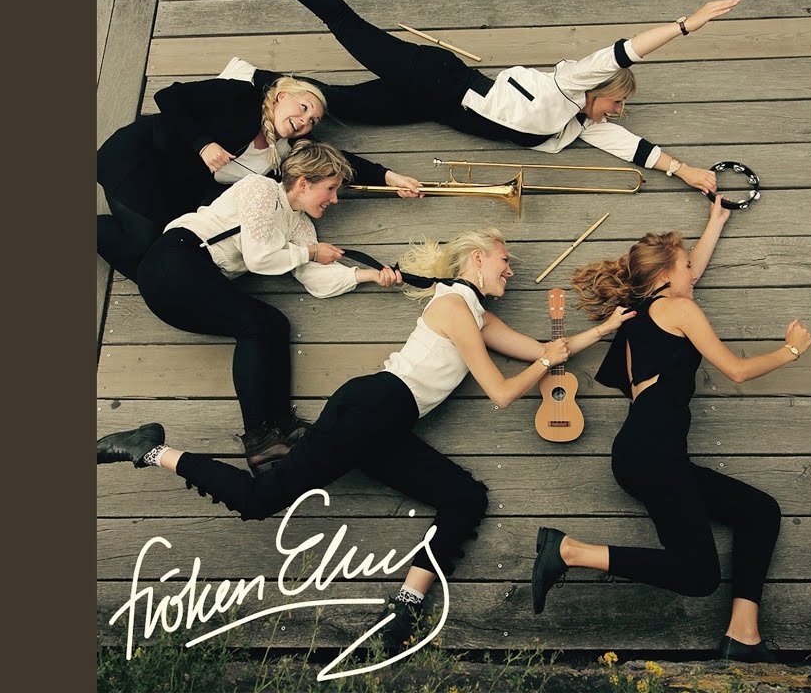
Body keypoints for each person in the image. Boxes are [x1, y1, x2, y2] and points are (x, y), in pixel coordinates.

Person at [97, 228, 635, 652]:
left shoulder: (477, 313)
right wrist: (543, 362)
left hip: (388, 420)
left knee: (464, 497)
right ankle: (150, 447)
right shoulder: (452, 306)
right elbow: (501, 391)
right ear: (476, 259)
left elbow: (543, 350)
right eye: (504, 261)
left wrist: (603, 328)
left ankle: (405, 604)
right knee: (259, 501)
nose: (510, 271)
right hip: (373, 406)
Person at [529, 195, 811, 663]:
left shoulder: (637, 319)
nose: (693, 273)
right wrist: (792, 351)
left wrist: (716, 220)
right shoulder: (680, 311)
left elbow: (685, 275)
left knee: (759, 512)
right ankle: (569, 552)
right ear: (666, 275)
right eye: (686, 266)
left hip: (645, 452)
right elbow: (736, 370)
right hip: (654, 453)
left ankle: (743, 635)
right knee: (698, 576)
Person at [255, 0, 735, 194]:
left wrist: (686, 171)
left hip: (432, 106)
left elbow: (634, 148)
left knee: (340, 105)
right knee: (347, 26)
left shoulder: (578, 126)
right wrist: (685, 25)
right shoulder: (570, 83)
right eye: (615, 103)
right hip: (436, 77)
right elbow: (624, 51)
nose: (616, 112)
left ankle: (252, 80)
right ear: (598, 89)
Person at [133, 140, 403, 467]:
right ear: (303, 183)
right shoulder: (260, 188)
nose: (334, 199)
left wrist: (369, 276)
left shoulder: (300, 224)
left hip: (194, 283)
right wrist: (311, 252)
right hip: (176, 258)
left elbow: (315, 280)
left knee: (273, 324)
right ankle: (259, 437)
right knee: (258, 324)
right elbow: (258, 257)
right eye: (330, 189)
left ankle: (282, 428)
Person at [97, 70, 423, 279]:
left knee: (159, 258)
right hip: (139, 158)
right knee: (144, 250)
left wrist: (390, 177)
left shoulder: (285, 151)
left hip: (170, 192)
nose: (305, 121)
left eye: (313, 120)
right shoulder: (241, 97)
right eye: (304, 108)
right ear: (282, 96)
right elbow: (169, 97)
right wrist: (203, 144)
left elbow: (335, 163)